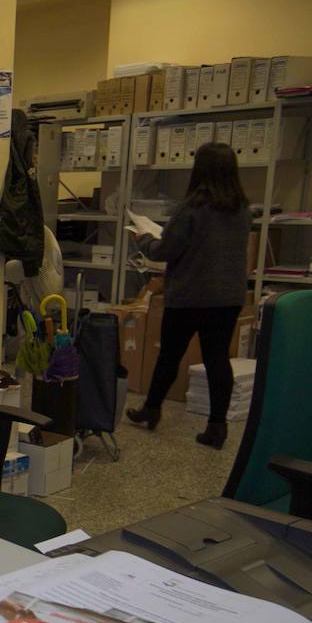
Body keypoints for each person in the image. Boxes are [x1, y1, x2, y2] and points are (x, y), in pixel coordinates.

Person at [125, 142, 251, 449]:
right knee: (218, 359)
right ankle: (217, 428)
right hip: (228, 298)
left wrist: (143, 240)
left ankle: (151, 409)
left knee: (170, 354)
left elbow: (166, 250)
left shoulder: (190, 210)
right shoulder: (243, 210)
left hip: (190, 296)